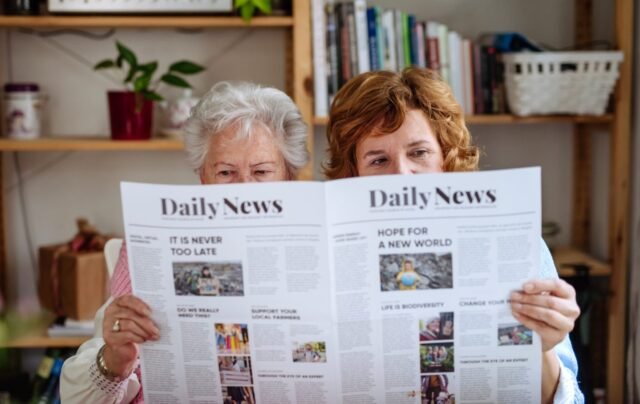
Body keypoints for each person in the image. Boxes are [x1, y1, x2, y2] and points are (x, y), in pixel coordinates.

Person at [324, 68, 583, 404]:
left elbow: (568, 400)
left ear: (445, 157)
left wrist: (542, 348)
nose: (401, 175)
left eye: (418, 152)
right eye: (378, 160)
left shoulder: (516, 243)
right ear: (354, 173)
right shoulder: (332, 254)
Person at [60, 81, 309, 403]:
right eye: (226, 172)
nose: (243, 191)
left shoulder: (314, 248)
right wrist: (115, 359)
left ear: (289, 176)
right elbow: (76, 399)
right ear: (203, 176)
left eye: (261, 172)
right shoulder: (149, 246)